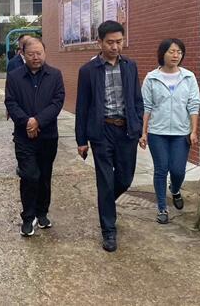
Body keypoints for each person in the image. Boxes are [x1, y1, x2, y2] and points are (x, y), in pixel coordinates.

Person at [75, 21, 143, 252]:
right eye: (110, 42)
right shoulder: (88, 70)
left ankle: (106, 204)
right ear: (100, 43)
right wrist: (81, 140)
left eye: (119, 42)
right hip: (101, 131)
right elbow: (82, 107)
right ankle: (109, 231)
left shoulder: (130, 66)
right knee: (105, 181)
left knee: (125, 179)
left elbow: (137, 99)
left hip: (126, 131)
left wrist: (138, 125)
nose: (115, 47)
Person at [5, 38, 65, 237]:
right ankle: (28, 217)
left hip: (48, 136)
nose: (36, 57)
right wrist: (27, 122)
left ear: (45, 53)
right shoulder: (14, 77)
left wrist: (38, 121)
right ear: (23, 54)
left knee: (45, 176)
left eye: (39, 53)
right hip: (24, 137)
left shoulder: (55, 75)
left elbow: (57, 102)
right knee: (29, 175)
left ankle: (42, 213)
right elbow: (11, 103)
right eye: (31, 54)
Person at [139, 38, 200, 224]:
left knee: (178, 170)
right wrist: (143, 132)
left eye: (179, 52)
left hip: (181, 133)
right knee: (161, 169)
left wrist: (194, 131)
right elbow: (146, 107)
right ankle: (162, 208)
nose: (176, 55)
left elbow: (194, 105)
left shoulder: (188, 77)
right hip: (158, 132)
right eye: (171, 51)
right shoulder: (152, 78)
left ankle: (174, 189)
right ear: (163, 53)